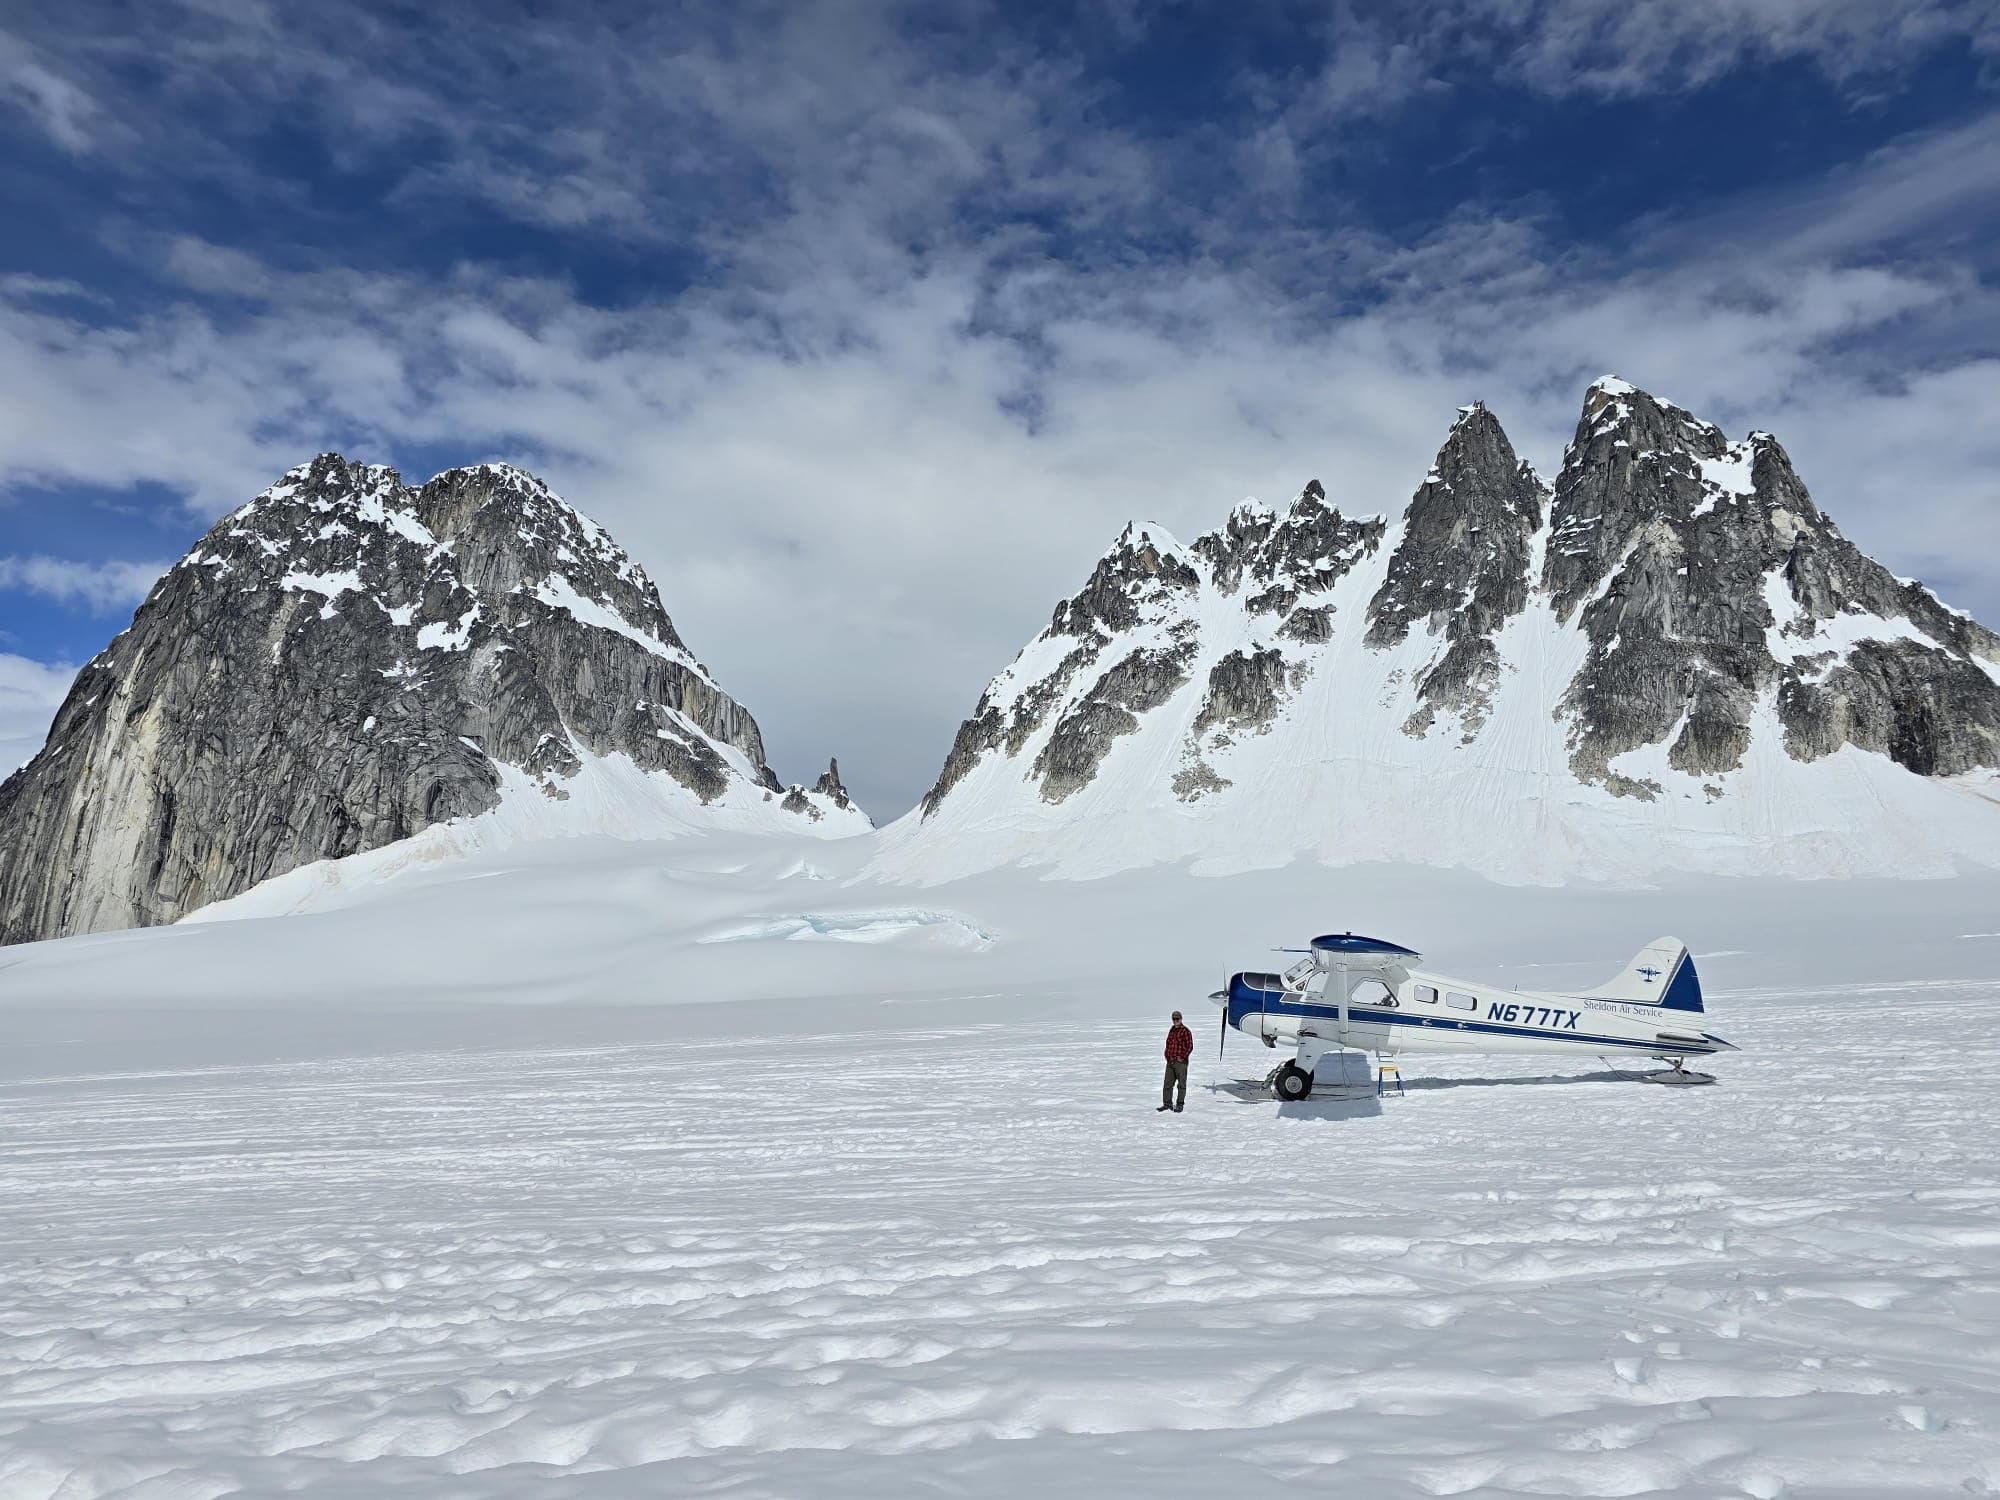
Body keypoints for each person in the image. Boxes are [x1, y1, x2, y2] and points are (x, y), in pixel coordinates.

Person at [1160, 1010, 1194, 1112]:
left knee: (1181, 1084)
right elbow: (1168, 1043)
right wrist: (1167, 1055)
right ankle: (1167, 1104)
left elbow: (1190, 1046)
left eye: (1177, 1019)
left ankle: (1180, 1104)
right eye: (1174, 1019)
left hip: (1181, 1063)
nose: (1175, 1021)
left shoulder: (1186, 1031)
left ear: (1181, 1019)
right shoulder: (1172, 1030)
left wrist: (1182, 1057)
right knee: (1167, 1084)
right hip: (1170, 1061)